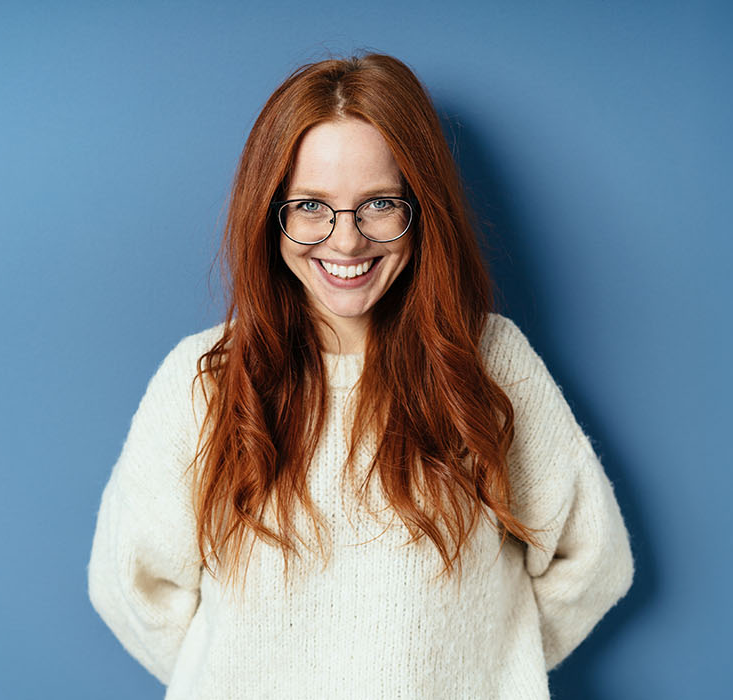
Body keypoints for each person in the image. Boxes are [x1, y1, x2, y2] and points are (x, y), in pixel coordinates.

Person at [88, 52, 633, 699]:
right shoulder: (203, 382)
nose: (346, 243)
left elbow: (593, 561)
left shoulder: (490, 364)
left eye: (379, 203)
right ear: (271, 214)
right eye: (312, 206)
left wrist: (480, 668)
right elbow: (131, 586)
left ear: (421, 208)